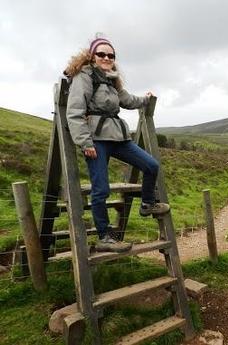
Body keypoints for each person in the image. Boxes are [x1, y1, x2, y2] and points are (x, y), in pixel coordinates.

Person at [64, 36, 170, 253]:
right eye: (101, 54)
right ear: (91, 56)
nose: (106, 58)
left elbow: (128, 100)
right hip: (96, 141)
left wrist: (146, 99)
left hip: (118, 138)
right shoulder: (84, 77)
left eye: (110, 55)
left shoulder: (112, 79)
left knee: (151, 166)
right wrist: (85, 142)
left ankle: (147, 204)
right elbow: (74, 112)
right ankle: (104, 237)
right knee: (100, 189)